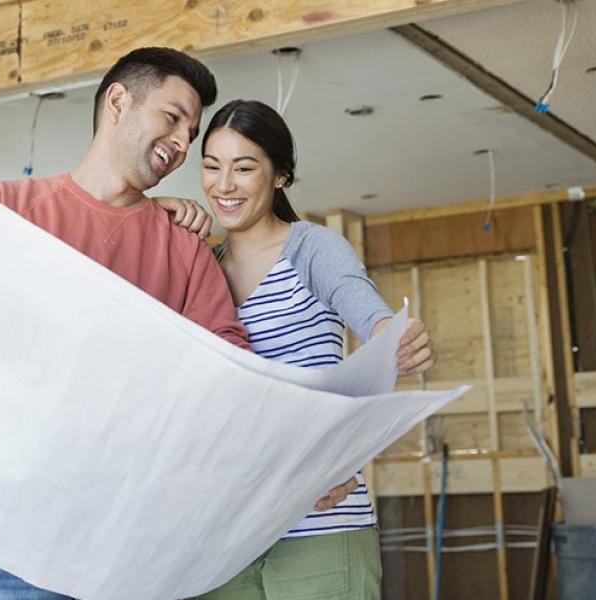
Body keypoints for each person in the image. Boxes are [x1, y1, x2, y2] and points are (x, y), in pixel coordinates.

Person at [0, 47, 246, 600]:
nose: (184, 143)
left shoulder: (184, 248)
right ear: (118, 101)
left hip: (138, 547)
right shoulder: (1, 210)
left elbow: (233, 373)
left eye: (192, 131)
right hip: (18, 547)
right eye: (173, 118)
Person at [183, 100, 436, 599]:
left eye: (244, 167)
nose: (223, 185)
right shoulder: (199, 266)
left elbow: (367, 312)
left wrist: (394, 336)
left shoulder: (312, 248)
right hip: (224, 535)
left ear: (279, 176)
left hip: (319, 522)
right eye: (211, 167)